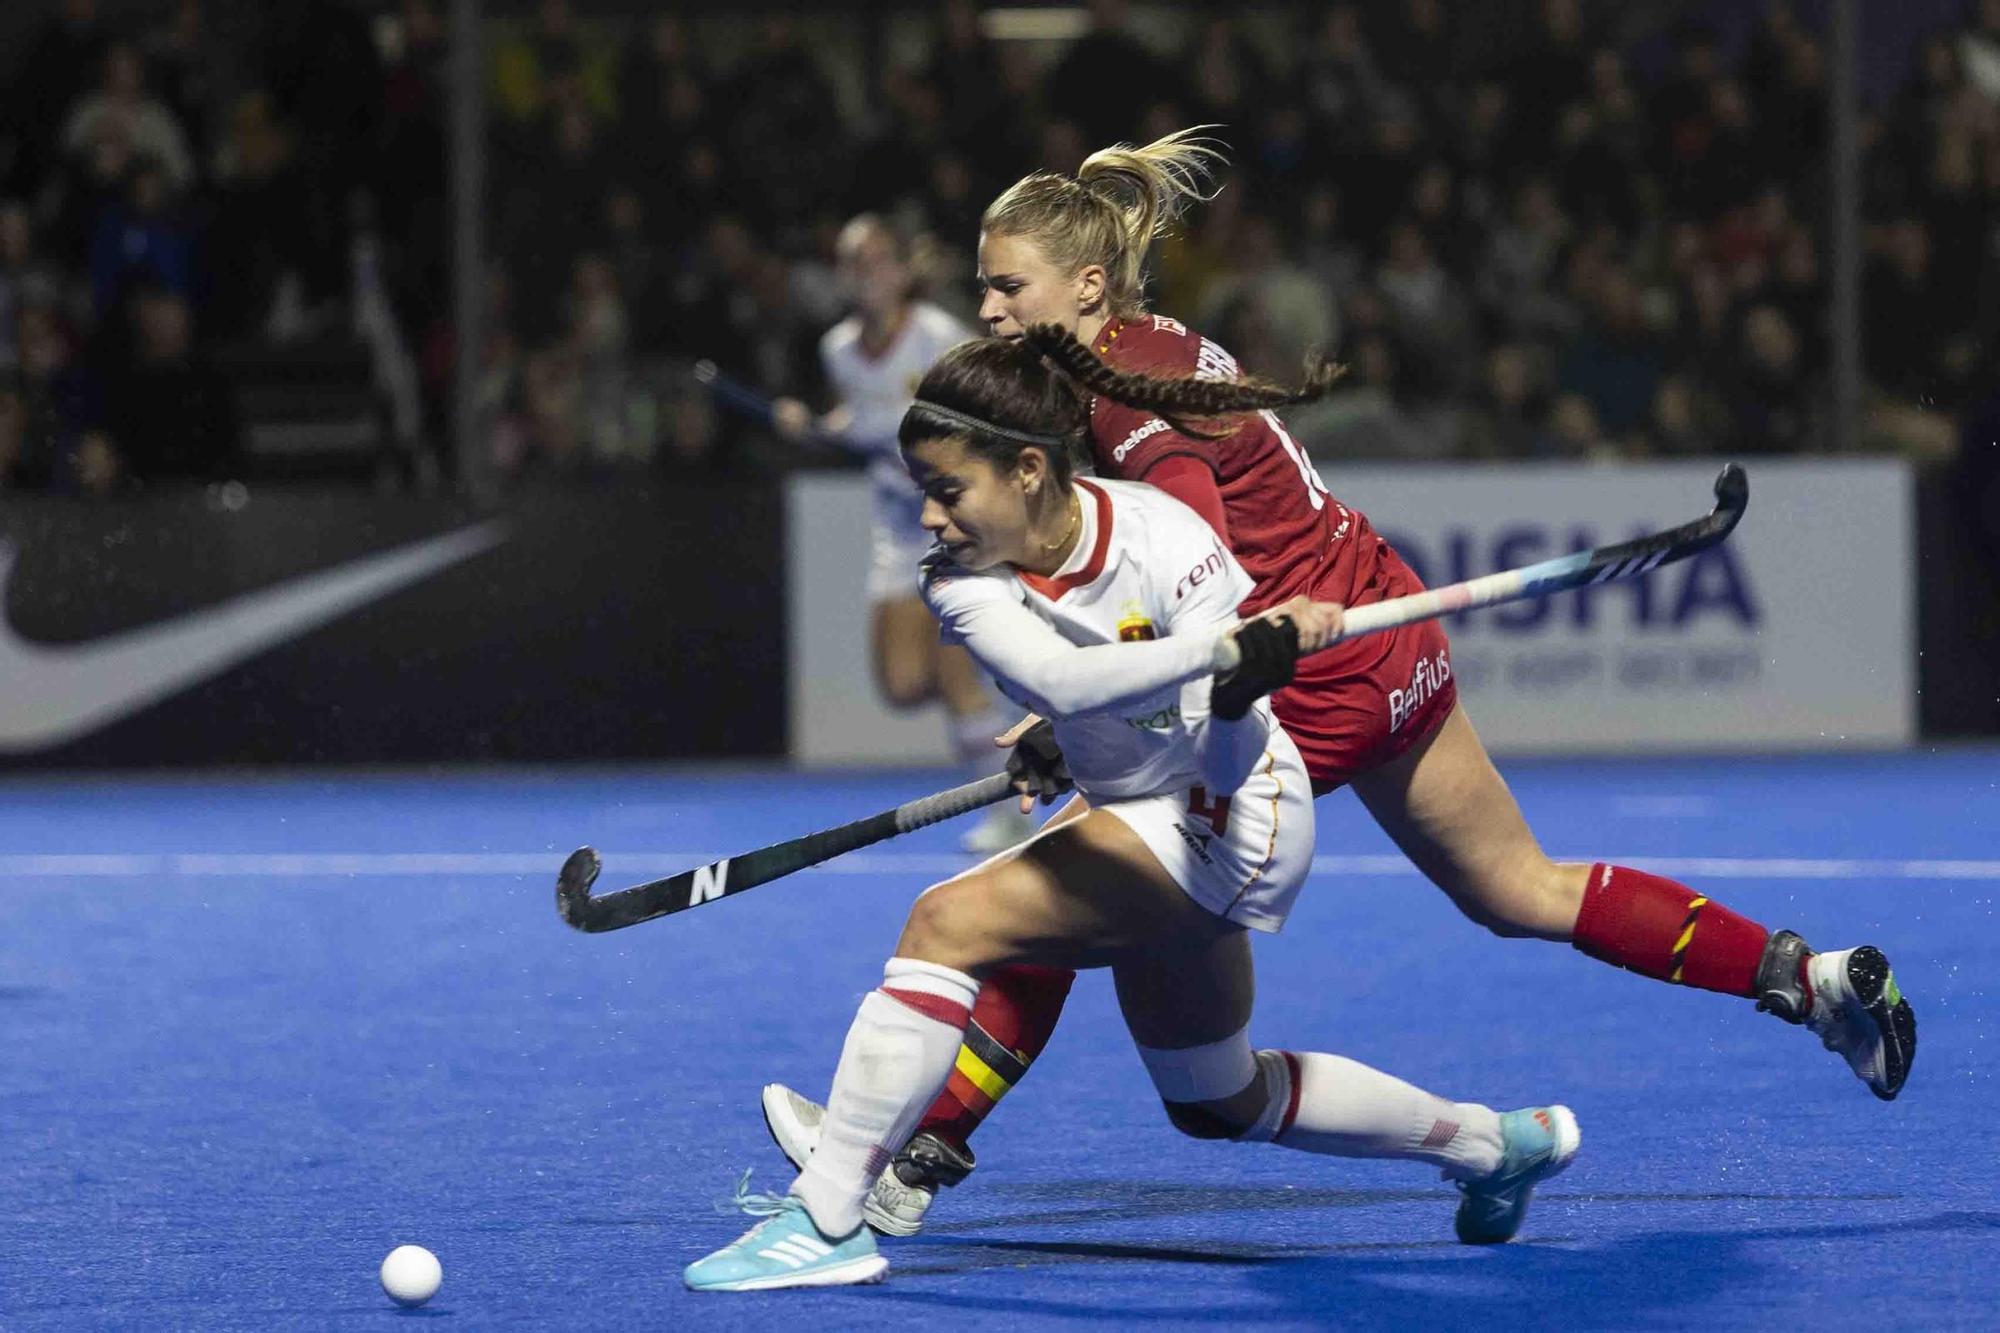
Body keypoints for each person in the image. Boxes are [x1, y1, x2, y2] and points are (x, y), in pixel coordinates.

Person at [762, 129, 1916, 1236]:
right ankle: (1804, 976)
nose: (985, 308)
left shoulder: (1124, 400)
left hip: (1301, 671)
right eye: (982, 284)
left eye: (1006, 285)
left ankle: (911, 1154)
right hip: (1380, 624)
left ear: (1087, 284)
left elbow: (1191, 577)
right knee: (1519, 886)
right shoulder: (1138, 349)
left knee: (1074, 875)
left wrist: (1085, 705)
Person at [684, 333, 1581, 1292]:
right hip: (1136, 812)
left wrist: (1236, 691)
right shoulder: (956, 578)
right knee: (1216, 1095)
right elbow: (1064, 680)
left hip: (1236, 814)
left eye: (948, 489)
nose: (930, 516)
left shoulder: (1166, 537)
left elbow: (1224, 759)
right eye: (922, 492)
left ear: (1029, 471)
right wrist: (1214, 657)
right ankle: (1495, 1145)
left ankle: (825, 1218)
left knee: (946, 921)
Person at [772, 214, 1033, 853]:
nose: (865, 273)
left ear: (900, 270)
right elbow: (860, 415)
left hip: (955, 524)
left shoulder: (936, 336)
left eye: (876, 260)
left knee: (953, 673)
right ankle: (1004, 720)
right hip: (895, 532)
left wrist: (928, 455)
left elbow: (982, 412)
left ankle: (1010, 810)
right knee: (902, 684)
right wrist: (816, 425)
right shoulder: (837, 349)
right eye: (852, 262)